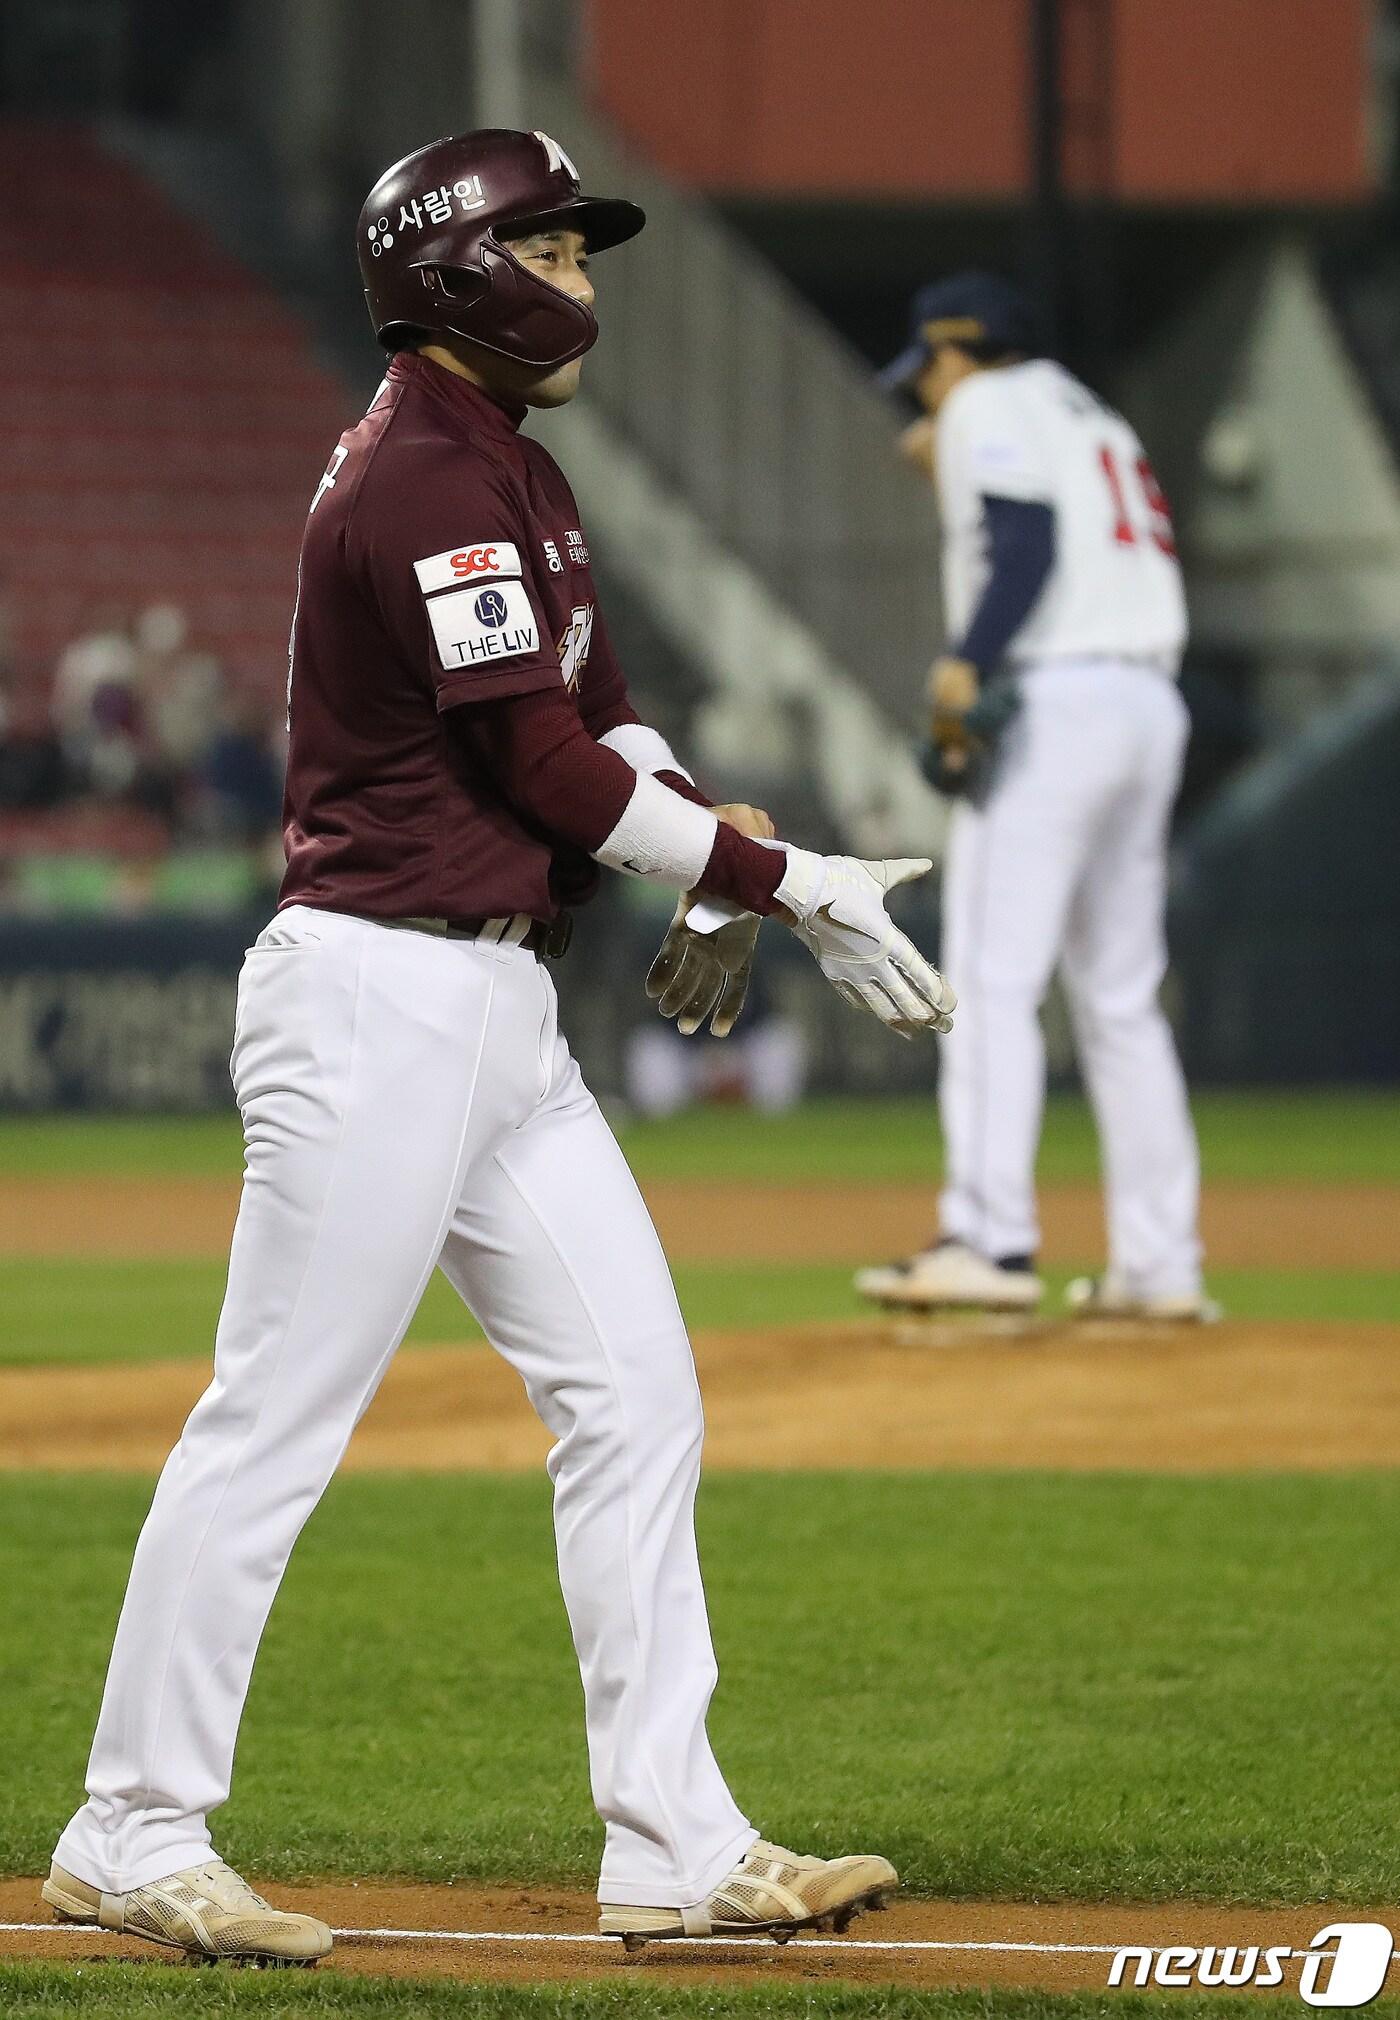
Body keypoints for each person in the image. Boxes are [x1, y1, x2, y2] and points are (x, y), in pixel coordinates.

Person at [44, 128, 953, 1968]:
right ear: (456, 269)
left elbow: (602, 721)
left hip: (496, 1007)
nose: (582, 282)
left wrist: (711, 845)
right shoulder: (427, 477)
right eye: (552, 249)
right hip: (379, 1000)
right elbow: (543, 770)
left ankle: (674, 1845)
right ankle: (130, 1825)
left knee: (636, 1399)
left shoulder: (505, 461)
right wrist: (782, 883)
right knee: (274, 1423)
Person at [855, 273, 1215, 1322]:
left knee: (986, 978)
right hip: (1148, 702)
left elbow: (1023, 541)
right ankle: (1161, 1266)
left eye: (926, 371)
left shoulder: (983, 402)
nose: (924, 394)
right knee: (1121, 998)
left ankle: (987, 1238)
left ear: (951, 352)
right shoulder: (1091, 413)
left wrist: (967, 660)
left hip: (1058, 704)